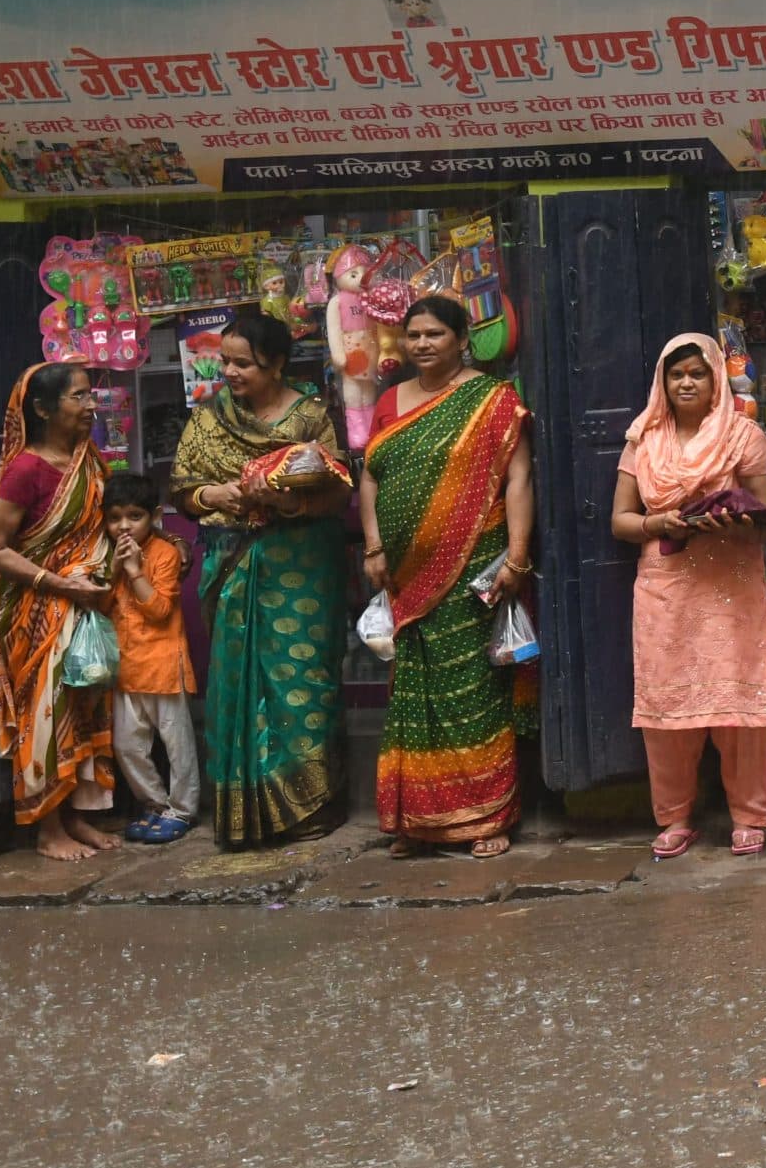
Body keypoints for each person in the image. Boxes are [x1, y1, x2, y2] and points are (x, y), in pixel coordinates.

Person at [357, 294, 536, 859]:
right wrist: (373, 546)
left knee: (473, 693)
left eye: (434, 334)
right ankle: (420, 820)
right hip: (404, 576)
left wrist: (516, 557)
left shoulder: (492, 400)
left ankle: (487, 817)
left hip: (475, 569)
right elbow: (370, 478)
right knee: (415, 693)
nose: (422, 344)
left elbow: (518, 479)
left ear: (462, 340)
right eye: (413, 335)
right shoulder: (390, 401)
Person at [173, 311, 352, 849]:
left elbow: (338, 488)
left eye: (242, 364)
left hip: (302, 567)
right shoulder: (210, 418)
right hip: (233, 560)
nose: (228, 372)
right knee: (237, 682)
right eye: (224, 361)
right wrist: (214, 495)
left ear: (275, 365)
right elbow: (183, 489)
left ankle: (308, 804)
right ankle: (245, 812)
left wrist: (289, 503)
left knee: (303, 680)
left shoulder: (310, 417)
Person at [613, 333, 766, 861]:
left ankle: (749, 817)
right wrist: (659, 523)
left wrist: (734, 522)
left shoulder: (744, 436)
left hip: (731, 587)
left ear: (715, 381)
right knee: (666, 707)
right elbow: (620, 521)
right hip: (665, 590)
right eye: (676, 374)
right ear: (663, 382)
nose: (686, 382)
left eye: (698, 373)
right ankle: (675, 818)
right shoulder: (643, 438)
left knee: (739, 707)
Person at [0, 362, 120, 861]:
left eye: (90, 395)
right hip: (35, 611)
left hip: (83, 606)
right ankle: (47, 829)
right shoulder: (27, 470)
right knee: (45, 714)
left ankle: (74, 817)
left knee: (81, 709)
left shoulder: (87, 460)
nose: (91, 405)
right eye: (79, 396)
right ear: (42, 409)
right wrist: (59, 584)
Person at [103, 473, 197, 846]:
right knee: (127, 745)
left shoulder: (165, 554)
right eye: (114, 518)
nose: (124, 526)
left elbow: (159, 610)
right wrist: (114, 570)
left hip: (163, 665)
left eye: (135, 516)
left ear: (154, 516)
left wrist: (134, 571)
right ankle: (155, 804)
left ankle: (183, 810)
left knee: (177, 745)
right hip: (126, 668)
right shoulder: (108, 554)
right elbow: (100, 603)